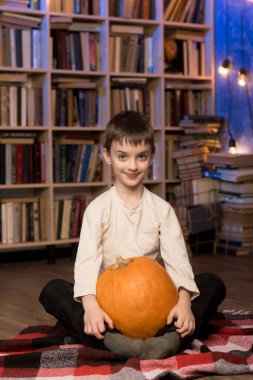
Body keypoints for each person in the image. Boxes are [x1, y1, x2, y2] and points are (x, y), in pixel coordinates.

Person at [39, 110, 226, 360]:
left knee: (211, 283)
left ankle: (171, 338)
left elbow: (178, 263)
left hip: (156, 307)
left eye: (141, 157)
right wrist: (91, 307)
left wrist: (183, 303)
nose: (132, 165)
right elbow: (85, 264)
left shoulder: (162, 209)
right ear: (107, 156)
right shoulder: (97, 209)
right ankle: (112, 340)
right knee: (53, 290)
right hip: (110, 309)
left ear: (152, 157)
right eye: (122, 156)